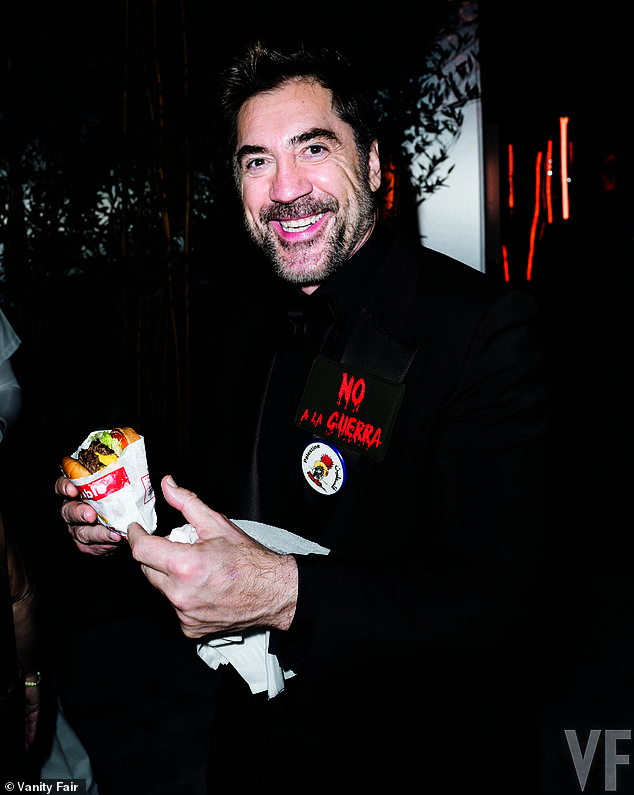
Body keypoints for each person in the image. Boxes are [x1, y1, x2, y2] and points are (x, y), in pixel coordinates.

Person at [56, 44, 551, 792]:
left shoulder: (481, 327)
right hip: (251, 737)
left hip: (407, 749)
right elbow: (233, 503)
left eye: (313, 148)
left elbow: (505, 599)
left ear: (374, 164)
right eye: (257, 161)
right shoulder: (250, 320)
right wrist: (128, 513)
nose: (285, 189)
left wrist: (287, 593)